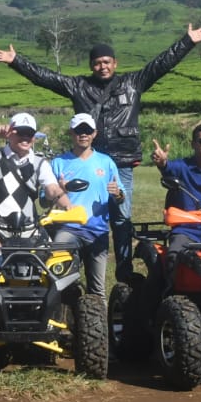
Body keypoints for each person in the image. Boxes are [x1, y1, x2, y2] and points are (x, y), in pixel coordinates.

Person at [0, 24, 201, 278]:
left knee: (121, 218)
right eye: (97, 63)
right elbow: (46, 77)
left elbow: (161, 64)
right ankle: (67, 267)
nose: (102, 66)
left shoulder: (134, 82)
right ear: (91, 65)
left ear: (115, 63)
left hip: (121, 162)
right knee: (75, 214)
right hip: (85, 160)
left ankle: (124, 270)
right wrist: (16, 61)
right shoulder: (78, 86)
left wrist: (188, 41)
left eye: (107, 62)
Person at [48, 113, 121, 299]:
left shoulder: (106, 162)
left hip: (98, 230)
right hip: (68, 228)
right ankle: (60, 320)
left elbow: (120, 198)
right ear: (71, 133)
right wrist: (59, 192)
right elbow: (44, 199)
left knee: (97, 288)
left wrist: (118, 194)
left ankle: (100, 326)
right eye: (79, 130)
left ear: (94, 133)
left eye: (87, 130)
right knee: (59, 279)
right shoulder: (58, 163)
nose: (83, 134)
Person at [0, 112, 70, 231]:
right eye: (20, 133)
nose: (25, 137)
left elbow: (52, 189)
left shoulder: (40, 163)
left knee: (53, 249)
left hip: (28, 228)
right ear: (10, 134)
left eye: (29, 133)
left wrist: (67, 205)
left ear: (34, 137)